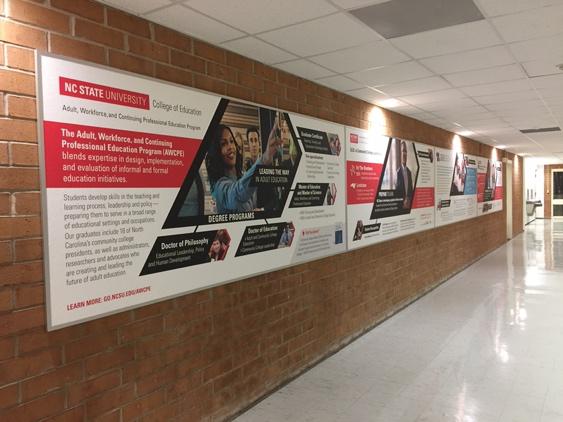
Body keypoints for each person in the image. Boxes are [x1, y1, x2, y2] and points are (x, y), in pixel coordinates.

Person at [206, 123, 281, 214]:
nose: (230, 147)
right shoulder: (219, 187)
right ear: (216, 151)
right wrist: (264, 159)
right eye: (223, 144)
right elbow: (237, 194)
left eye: (231, 141)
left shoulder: (242, 176)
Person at [395, 140, 413, 209]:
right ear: (400, 154)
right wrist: (402, 201)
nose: (405, 154)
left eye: (406, 152)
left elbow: (410, 190)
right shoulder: (397, 173)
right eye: (403, 151)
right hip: (400, 206)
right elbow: (396, 192)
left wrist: (408, 200)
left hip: (408, 206)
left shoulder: (409, 172)